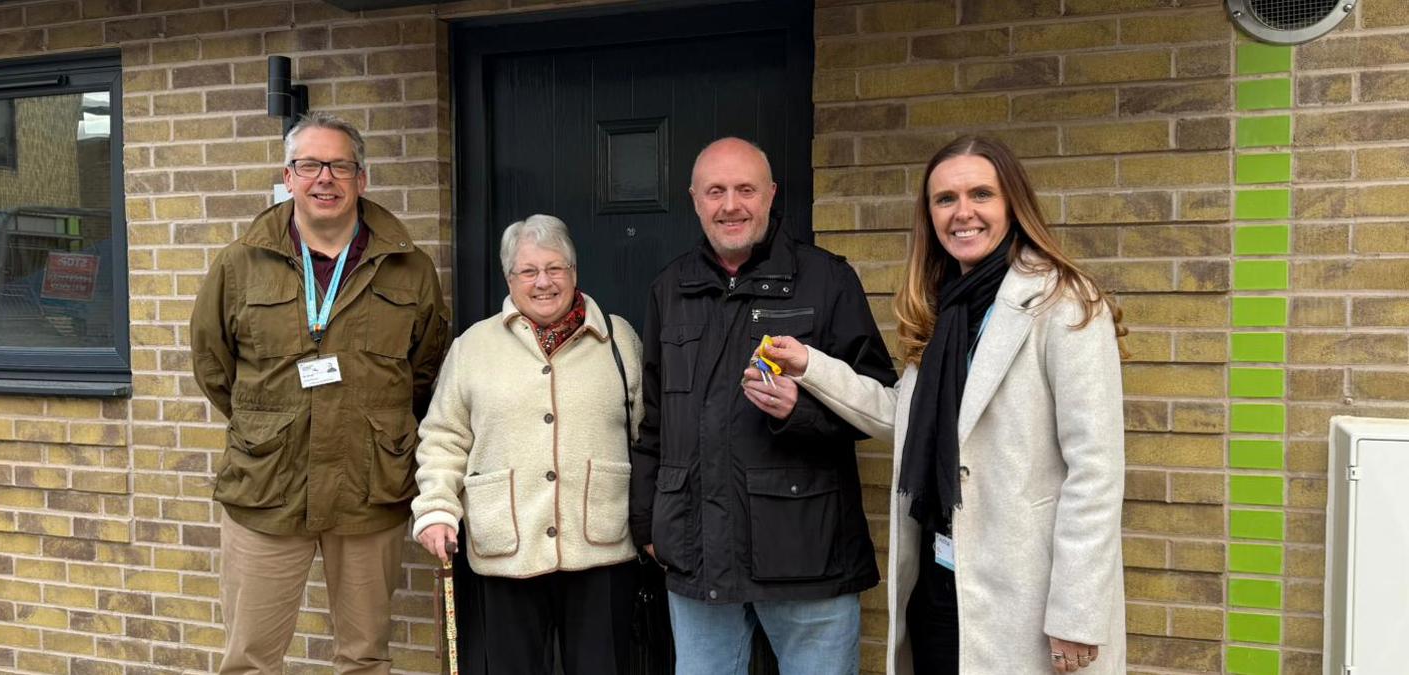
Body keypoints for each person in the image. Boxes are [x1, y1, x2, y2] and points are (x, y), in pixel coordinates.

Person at [757, 135, 1128, 674]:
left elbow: (1095, 471)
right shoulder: (943, 310)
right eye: (945, 199)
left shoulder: (1064, 303)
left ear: (1013, 204)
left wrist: (1077, 613)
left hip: (1027, 594)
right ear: (929, 214)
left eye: (982, 194)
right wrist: (811, 367)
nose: (963, 213)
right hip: (939, 583)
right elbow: (902, 419)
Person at [190, 112, 452, 675]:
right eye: (309, 165)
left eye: (339, 165)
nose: (324, 178)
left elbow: (425, 367)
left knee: (363, 657)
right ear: (288, 177)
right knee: (249, 659)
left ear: (362, 177)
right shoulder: (240, 264)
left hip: (368, 487)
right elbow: (215, 366)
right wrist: (269, 424)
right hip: (266, 486)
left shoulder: (409, 269)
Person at [628, 137, 898, 675]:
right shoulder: (670, 288)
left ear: (771, 194)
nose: (731, 205)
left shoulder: (826, 280)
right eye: (716, 191)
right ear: (695, 199)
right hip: (695, 552)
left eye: (745, 189)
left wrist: (800, 411)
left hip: (806, 554)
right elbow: (653, 418)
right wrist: (647, 523)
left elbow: (881, 405)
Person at [411, 214, 643, 674]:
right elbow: (443, 437)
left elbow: (647, 433)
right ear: (509, 278)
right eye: (528, 271)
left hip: (601, 545)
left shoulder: (618, 338)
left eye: (555, 268)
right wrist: (436, 510)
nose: (543, 282)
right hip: (505, 548)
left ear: (574, 272)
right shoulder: (473, 346)